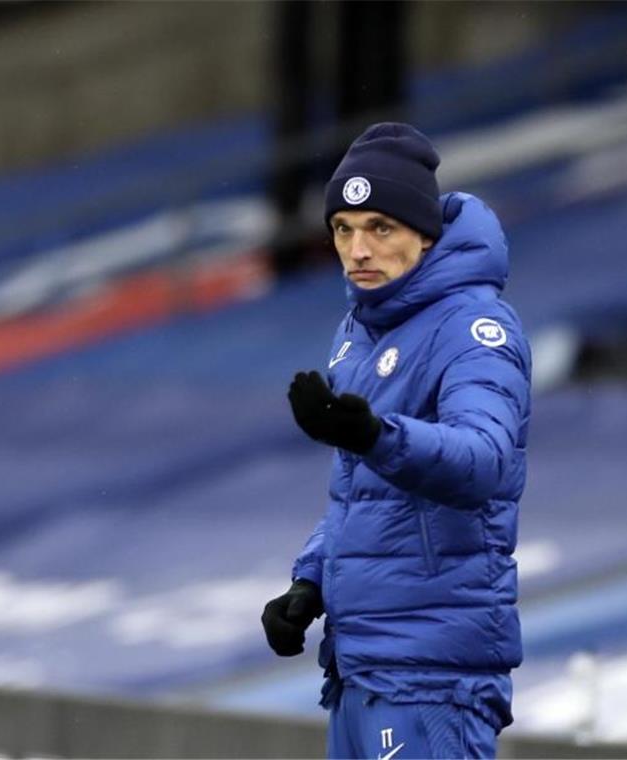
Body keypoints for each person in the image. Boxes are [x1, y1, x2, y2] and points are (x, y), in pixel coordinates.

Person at [261, 122, 531, 759]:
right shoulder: (359, 331)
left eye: (380, 227)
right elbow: (362, 493)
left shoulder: (475, 329)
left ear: (424, 235)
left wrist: (376, 434)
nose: (359, 249)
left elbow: (484, 460)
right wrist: (310, 583)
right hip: (361, 666)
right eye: (343, 229)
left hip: (430, 673)